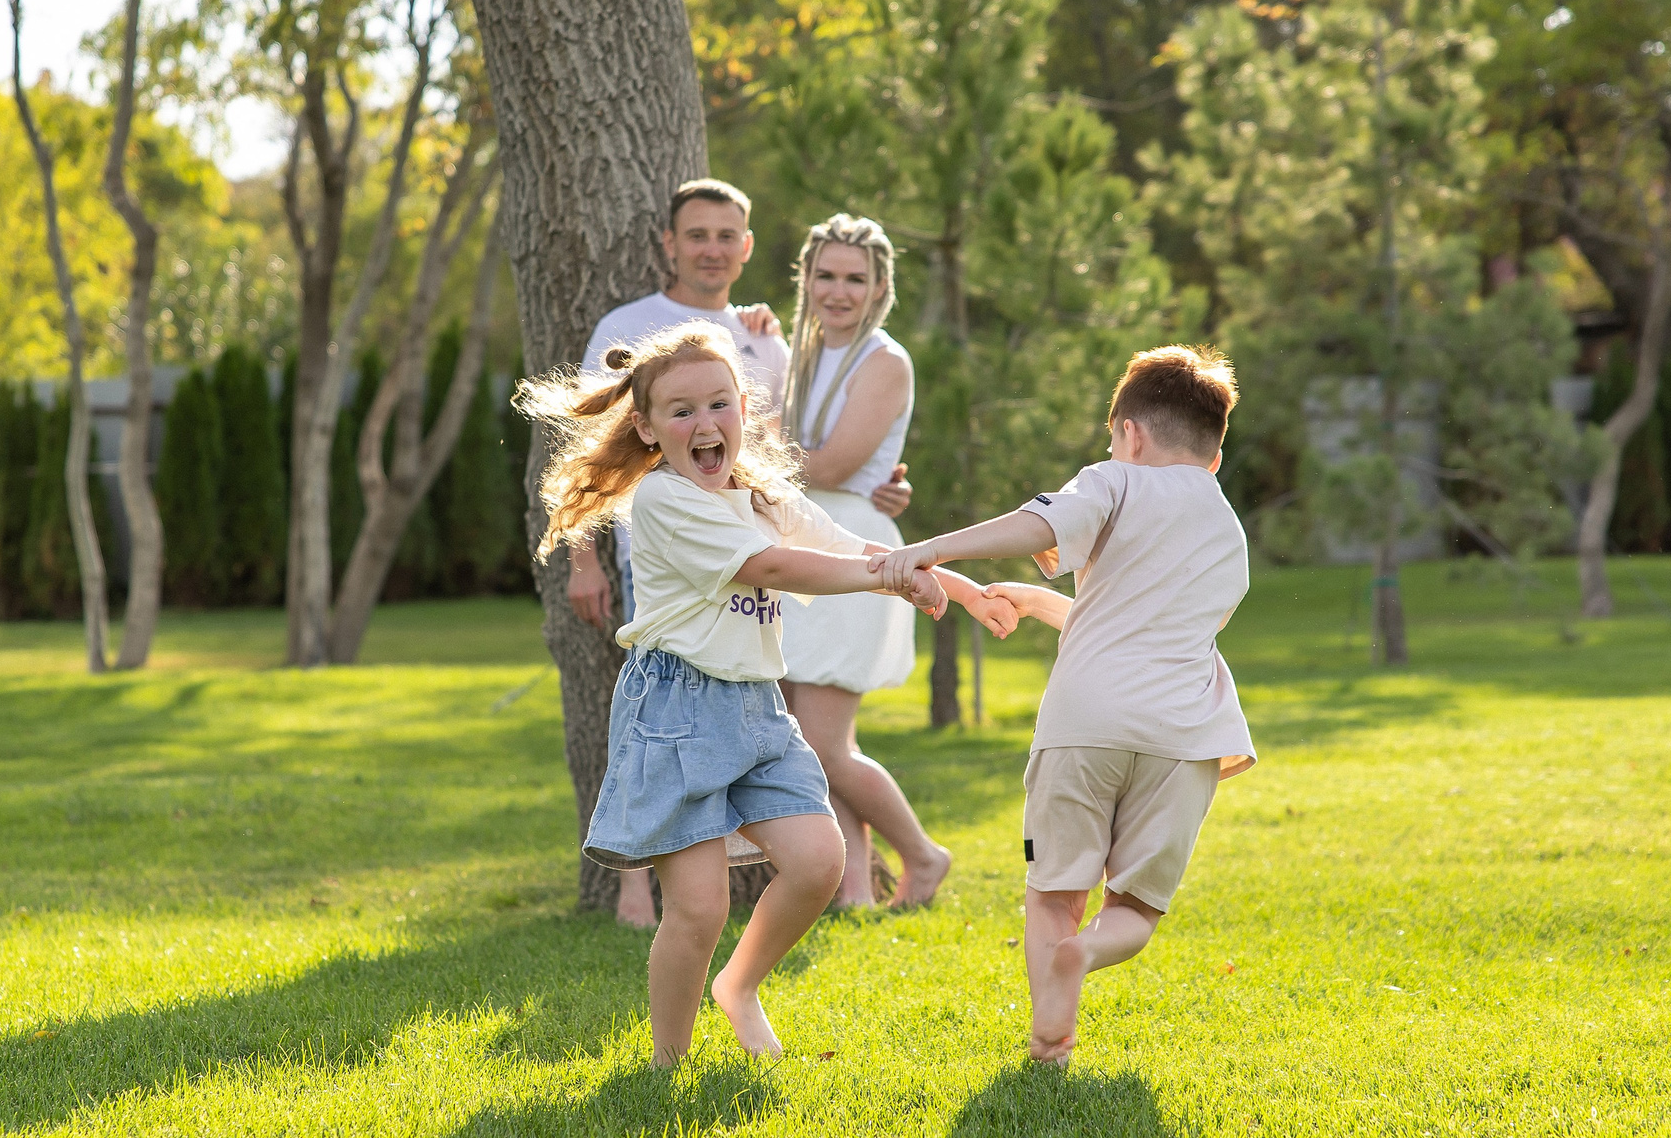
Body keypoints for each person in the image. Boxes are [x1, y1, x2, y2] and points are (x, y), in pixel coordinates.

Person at [520, 322, 991, 1065]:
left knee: (818, 860)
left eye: (719, 403)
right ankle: (666, 1062)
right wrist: (893, 578)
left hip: (757, 705)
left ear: (744, 406)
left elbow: (854, 547)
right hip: (676, 710)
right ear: (646, 425)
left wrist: (961, 585)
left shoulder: (763, 494)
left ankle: (738, 986)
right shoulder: (667, 500)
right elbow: (777, 569)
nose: (705, 424)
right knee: (699, 908)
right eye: (681, 411)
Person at [874, 345, 1255, 1066]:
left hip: (1083, 726)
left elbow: (1035, 526)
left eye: (1114, 439)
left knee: (1052, 890)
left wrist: (929, 548)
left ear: (1130, 433)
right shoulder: (1228, 528)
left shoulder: (1114, 480)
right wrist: (1047, 603)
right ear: (1213, 455)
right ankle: (1083, 955)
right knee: (1135, 909)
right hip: (1184, 740)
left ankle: (1050, 1043)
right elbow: (1152, 622)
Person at [567, 178, 910, 928]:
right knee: (664, 759)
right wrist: (582, 559)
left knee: (788, 744)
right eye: (697, 234)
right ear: (670, 242)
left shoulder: (763, 337)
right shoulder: (631, 326)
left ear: (748, 248)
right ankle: (634, 893)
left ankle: (832, 886)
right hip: (678, 564)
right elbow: (603, 449)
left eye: (728, 235)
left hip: (760, 591)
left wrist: (878, 502)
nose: (713, 248)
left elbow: (785, 457)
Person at [776, 214, 954, 910]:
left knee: (823, 740)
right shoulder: (796, 353)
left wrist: (748, 456)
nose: (839, 290)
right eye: (826, 275)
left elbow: (838, 463)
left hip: (852, 548)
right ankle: (853, 892)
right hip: (798, 543)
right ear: (806, 278)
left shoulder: (885, 360)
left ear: (880, 285)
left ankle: (922, 853)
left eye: (856, 278)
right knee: (802, 737)